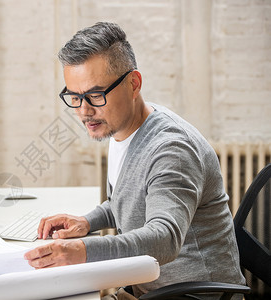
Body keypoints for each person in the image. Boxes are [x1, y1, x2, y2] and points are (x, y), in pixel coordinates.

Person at [24, 22, 245, 299]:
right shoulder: (120, 128)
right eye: (75, 96)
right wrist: (87, 221)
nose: (84, 111)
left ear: (133, 84)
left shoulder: (171, 150)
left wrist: (82, 251)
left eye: (95, 95)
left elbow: (165, 238)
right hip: (148, 285)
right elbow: (130, 199)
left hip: (191, 294)